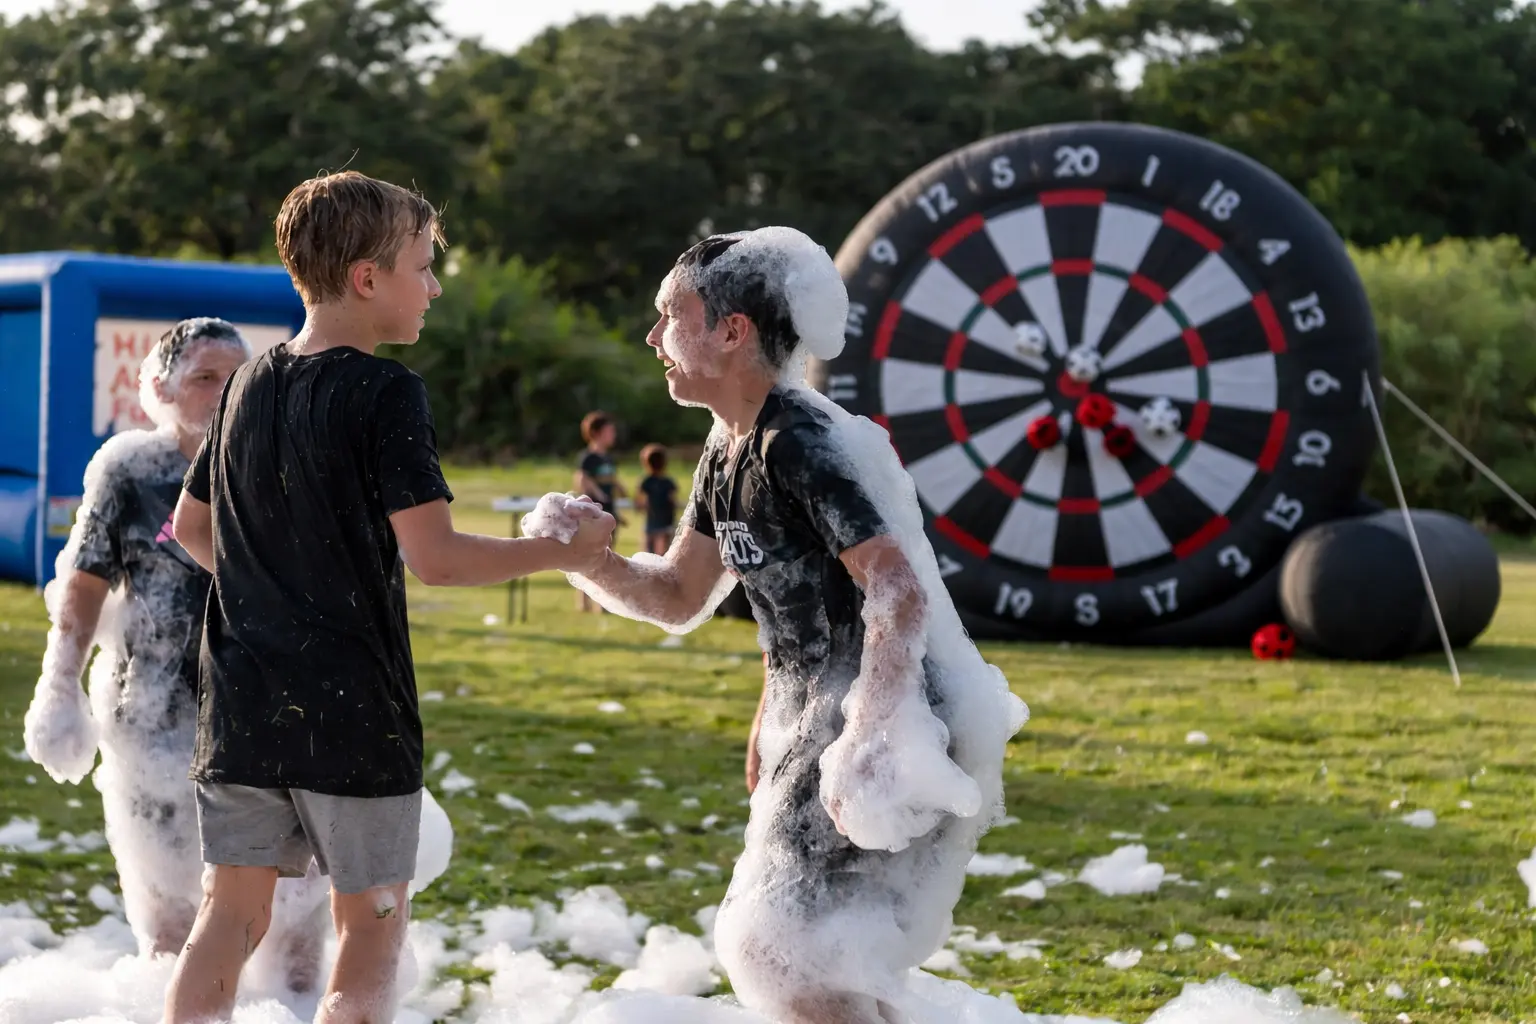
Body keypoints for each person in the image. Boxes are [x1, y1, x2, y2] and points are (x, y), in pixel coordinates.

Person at [522, 227, 1026, 1024]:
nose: (653, 337)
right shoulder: (725, 452)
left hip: (895, 721)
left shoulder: (801, 443)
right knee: (806, 960)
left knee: (781, 955)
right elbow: (683, 595)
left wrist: (870, 732)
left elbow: (897, 592)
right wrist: (588, 561)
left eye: (670, 315)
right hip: (822, 721)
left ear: (733, 330)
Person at [162, 170, 616, 1024]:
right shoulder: (385, 393)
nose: (435, 285)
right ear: (368, 279)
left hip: (243, 701)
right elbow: (437, 560)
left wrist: (274, 584)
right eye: (422, 265)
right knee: (371, 923)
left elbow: (189, 529)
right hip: (354, 710)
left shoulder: (246, 387)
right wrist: (561, 553)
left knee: (228, 917)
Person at [22, 319, 331, 994]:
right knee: (171, 924)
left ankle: (293, 1008)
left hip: (270, 713)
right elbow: (84, 579)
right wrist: (58, 685)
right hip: (155, 718)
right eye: (205, 378)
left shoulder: (284, 461)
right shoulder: (131, 470)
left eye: (238, 377)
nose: (225, 392)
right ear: (160, 389)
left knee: (299, 916)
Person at [573, 411, 625, 611]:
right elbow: (582, 479)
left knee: (607, 555)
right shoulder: (588, 458)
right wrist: (597, 494)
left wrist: (620, 490)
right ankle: (583, 602)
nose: (613, 434)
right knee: (588, 556)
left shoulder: (609, 459)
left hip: (609, 513)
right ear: (596, 433)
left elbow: (611, 480)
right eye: (609, 431)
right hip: (593, 515)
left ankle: (603, 602)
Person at [634, 443, 679, 555]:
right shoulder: (668, 482)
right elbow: (673, 501)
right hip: (666, 522)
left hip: (652, 522)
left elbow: (639, 501)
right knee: (664, 554)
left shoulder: (646, 481)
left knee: (648, 554)